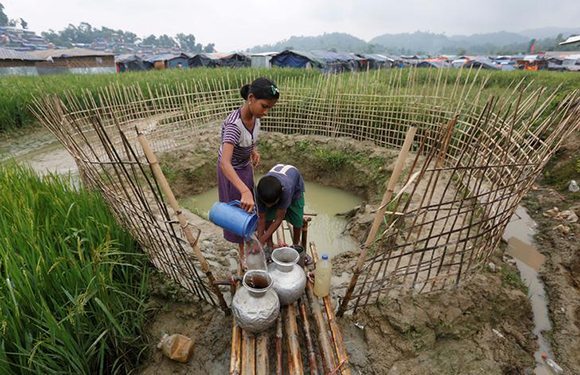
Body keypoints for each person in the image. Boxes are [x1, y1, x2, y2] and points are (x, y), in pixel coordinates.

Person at [217, 77, 280, 255]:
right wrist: (244, 190)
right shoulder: (234, 125)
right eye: (264, 106)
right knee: (238, 212)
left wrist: (252, 151)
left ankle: (248, 240)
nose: (266, 111)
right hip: (230, 171)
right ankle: (241, 253)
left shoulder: (256, 118)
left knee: (249, 208)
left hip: (245, 166)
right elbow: (224, 163)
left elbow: (248, 139)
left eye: (270, 108)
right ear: (251, 98)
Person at [256, 164, 305, 248]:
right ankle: (270, 245)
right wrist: (260, 240)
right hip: (276, 187)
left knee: (297, 220)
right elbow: (261, 218)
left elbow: (279, 219)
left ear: (280, 196)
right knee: (268, 217)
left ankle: (295, 245)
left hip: (294, 190)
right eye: (266, 203)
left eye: (272, 203)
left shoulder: (286, 190)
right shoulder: (258, 192)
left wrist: (262, 239)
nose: (268, 206)